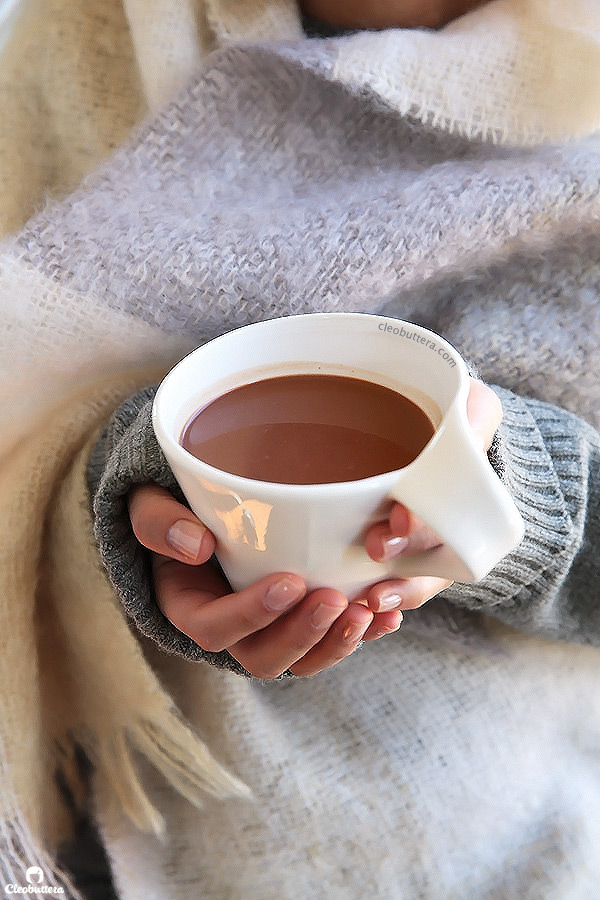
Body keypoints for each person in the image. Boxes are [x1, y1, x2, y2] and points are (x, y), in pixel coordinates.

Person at [1, 0, 600, 898]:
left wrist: (513, 496)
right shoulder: (101, 28)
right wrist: (139, 489)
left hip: (491, 843)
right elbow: (26, 384)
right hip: (80, 793)